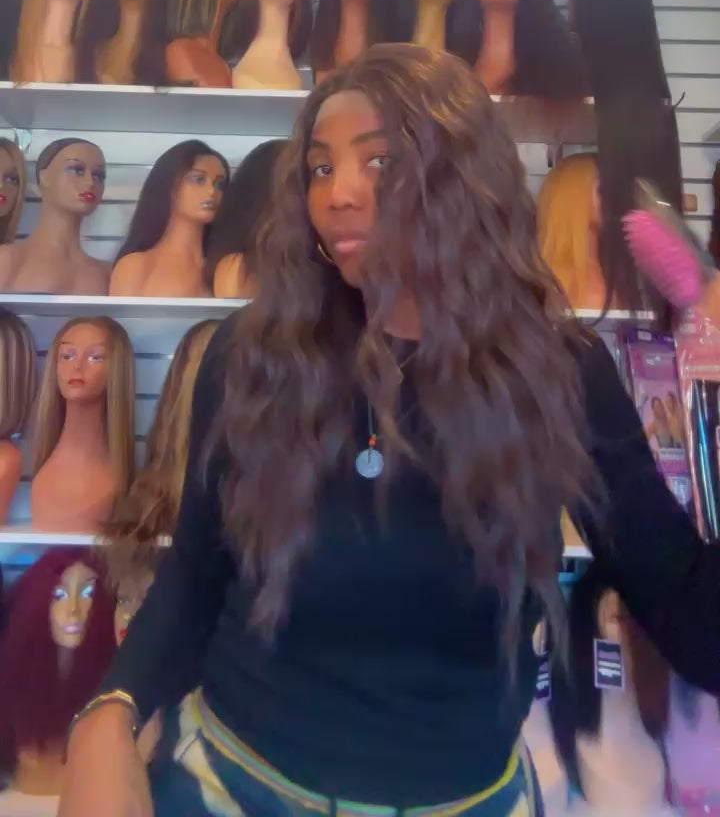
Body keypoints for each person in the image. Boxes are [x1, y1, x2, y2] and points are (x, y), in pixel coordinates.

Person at [59, 44, 720, 817]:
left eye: (378, 162)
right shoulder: (251, 357)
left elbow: (694, 624)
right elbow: (196, 576)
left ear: (461, 177)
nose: (338, 193)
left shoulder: (561, 374)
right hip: (229, 784)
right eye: (320, 167)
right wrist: (109, 713)